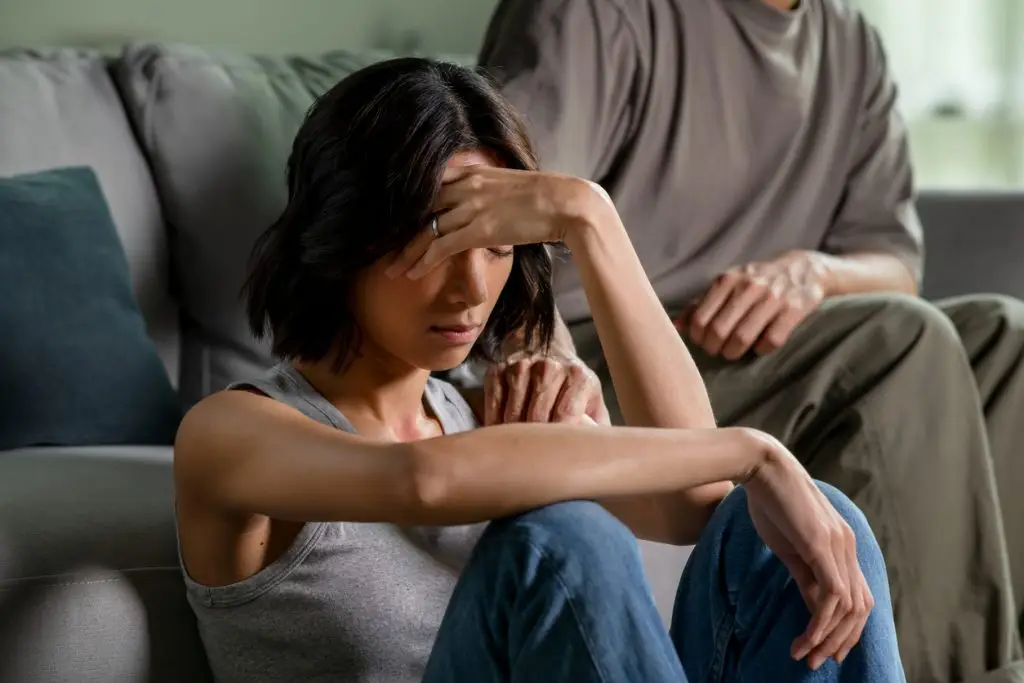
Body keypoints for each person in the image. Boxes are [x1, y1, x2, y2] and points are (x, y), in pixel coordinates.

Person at [172, 57, 905, 683]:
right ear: (341, 232)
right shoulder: (229, 433)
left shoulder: (483, 415)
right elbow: (420, 481)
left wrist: (589, 218)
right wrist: (755, 451)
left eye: (497, 247)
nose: (471, 289)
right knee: (560, 539)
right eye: (435, 241)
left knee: (812, 518)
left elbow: (693, 502)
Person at [475, 1, 1024, 682]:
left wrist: (815, 273)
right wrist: (543, 353)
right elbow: (505, 206)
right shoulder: (598, 12)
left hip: (767, 353)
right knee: (906, 341)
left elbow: (894, 263)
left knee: (1004, 337)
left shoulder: (850, 42)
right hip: (611, 357)